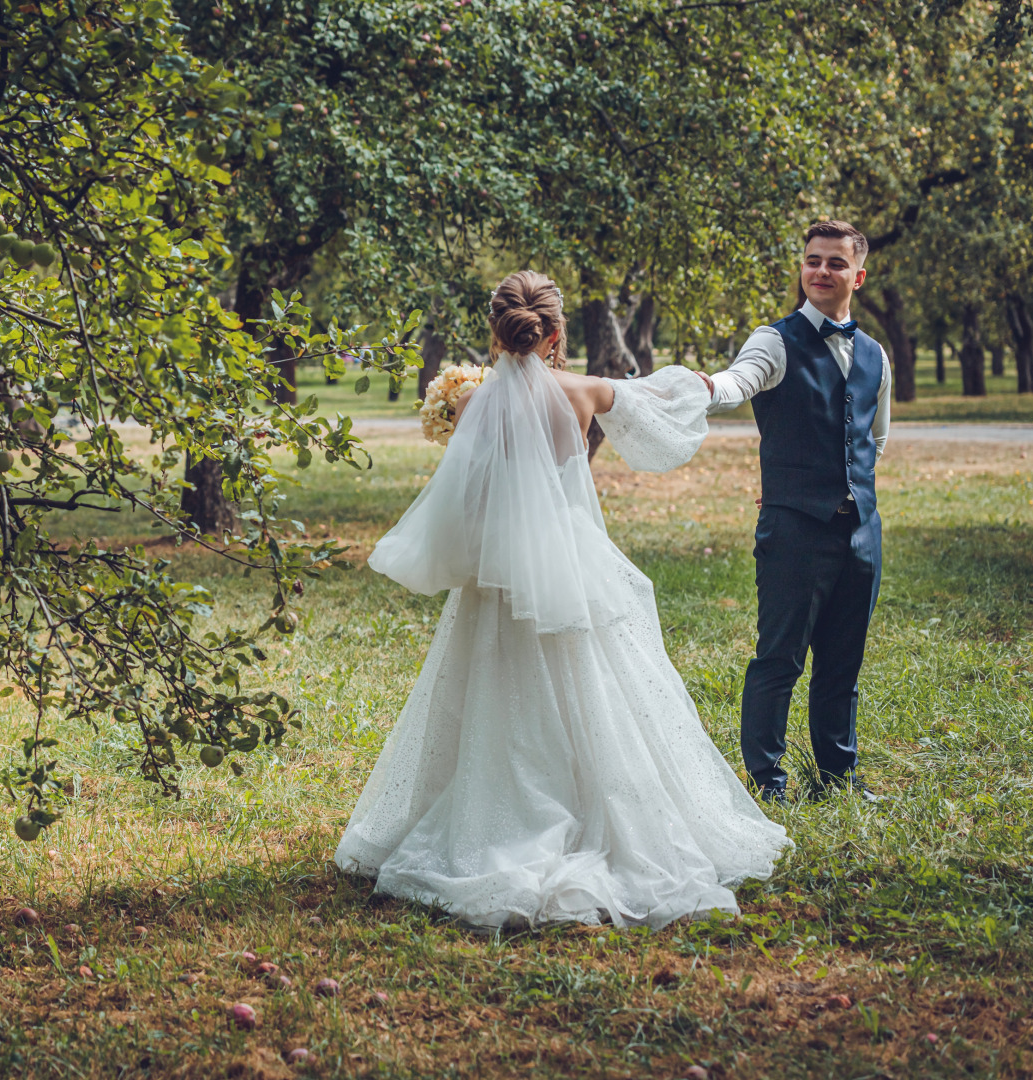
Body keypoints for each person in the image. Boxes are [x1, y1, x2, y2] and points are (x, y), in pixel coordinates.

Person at [335, 271, 789, 930]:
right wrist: (706, 382)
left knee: (489, 686)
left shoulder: (469, 405)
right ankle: (596, 808)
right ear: (554, 336)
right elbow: (658, 403)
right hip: (570, 567)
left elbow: (464, 502)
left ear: (494, 333)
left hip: (496, 574)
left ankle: (489, 813)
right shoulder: (581, 392)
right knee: (594, 690)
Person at [705, 221, 890, 804]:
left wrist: (846, 483)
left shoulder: (875, 354)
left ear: (857, 276)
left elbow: (873, 438)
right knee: (778, 658)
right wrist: (706, 387)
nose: (820, 271)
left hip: (861, 531)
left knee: (843, 662)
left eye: (835, 263)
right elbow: (740, 382)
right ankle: (767, 781)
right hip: (793, 530)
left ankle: (839, 777)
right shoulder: (775, 340)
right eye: (812, 260)